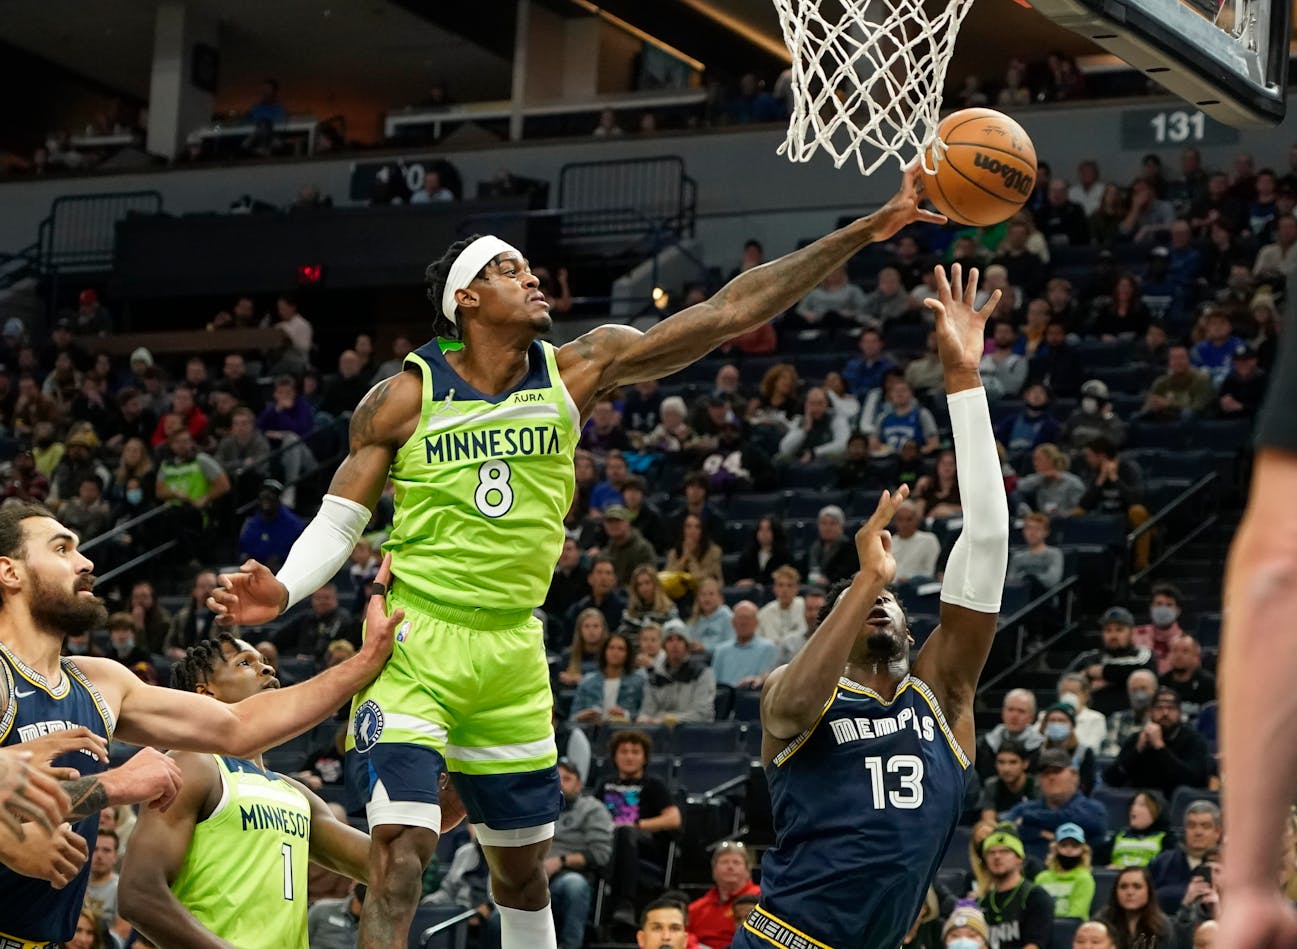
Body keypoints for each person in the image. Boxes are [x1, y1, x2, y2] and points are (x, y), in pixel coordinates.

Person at [208, 175, 940, 949]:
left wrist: (865, 229)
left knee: (521, 874)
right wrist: (284, 587)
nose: (531, 277)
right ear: (468, 299)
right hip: (415, 642)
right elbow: (340, 517)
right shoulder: (402, 398)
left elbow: (729, 311)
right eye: (508, 268)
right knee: (400, 859)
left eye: (528, 267)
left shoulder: (579, 368)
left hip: (514, 651)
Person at [732, 263, 1009, 949]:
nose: (880, 601)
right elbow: (793, 702)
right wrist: (864, 580)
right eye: (866, 601)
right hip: (783, 940)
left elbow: (990, 535)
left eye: (889, 596)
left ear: (915, 627)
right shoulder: (796, 700)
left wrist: (963, 379)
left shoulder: (941, 696)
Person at [0, 503, 401, 947]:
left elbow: (236, 725)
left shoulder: (100, 681)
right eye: (61, 549)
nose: (85, 561)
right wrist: (113, 786)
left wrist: (366, 662)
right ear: (9, 572)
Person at [117, 634, 389, 948]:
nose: (268, 670)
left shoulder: (295, 793)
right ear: (206, 693)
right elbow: (138, 894)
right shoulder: (194, 765)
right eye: (245, 663)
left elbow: (386, 867)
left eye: (265, 662)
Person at [599, 730, 682, 926]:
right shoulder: (604, 784)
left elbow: (673, 818)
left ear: (644, 758)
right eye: (624, 751)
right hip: (607, 840)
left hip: (643, 843)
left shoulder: (654, 784)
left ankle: (626, 904)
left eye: (635, 752)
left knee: (625, 833)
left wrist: (635, 825)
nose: (629, 756)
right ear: (615, 756)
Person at [542, 757, 614, 949]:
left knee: (574, 885)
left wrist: (561, 861)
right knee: (496, 917)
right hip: (529, 879)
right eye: (554, 777)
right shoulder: (534, 809)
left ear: (579, 785)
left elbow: (600, 854)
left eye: (567, 778)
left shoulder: (592, 809)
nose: (559, 782)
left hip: (567, 877)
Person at [1003, 749, 1107, 862]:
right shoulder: (1022, 809)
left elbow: (1078, 820)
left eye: (1057, 771)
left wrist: (1028, 819)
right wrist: (1039, 833)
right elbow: (1004, 832)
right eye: (1045, 773)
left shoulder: (1093, 809)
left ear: (1074, 775)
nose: (1051, 777)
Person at [1107, 687, 1212, 798]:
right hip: (1141, 802)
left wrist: (1160, 747)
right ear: (1150, 712)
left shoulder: (1194, 740)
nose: (1165, 713)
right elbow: (1112, 779)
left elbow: (1193, 780)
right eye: (1159, 708)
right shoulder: (1137, 739)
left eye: (1171, 708)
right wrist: (1137, 750)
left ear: (1180, 713)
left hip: (1177, 803)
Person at [979, 828, 1056, 949]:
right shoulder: (983, 902)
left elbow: (1035, 945)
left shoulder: (1036, 896)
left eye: (1005, 851)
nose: (997, 856)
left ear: (1019, 858)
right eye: (991, 852)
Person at [638, 624, 716, 724]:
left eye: (680, 639)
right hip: (660, 731)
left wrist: (668, 719)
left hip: (694, 731)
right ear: (664, 646)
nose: (675, 644)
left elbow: (703, 714)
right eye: (670, 640)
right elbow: (647, 711)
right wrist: (643, 718)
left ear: (687, 646)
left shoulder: (703, 673)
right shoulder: (655, 676)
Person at [688, 840, 760, 948]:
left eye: (736, 862)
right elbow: (682, 933)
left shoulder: (762, 898)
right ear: (714, 871)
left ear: (747, 871)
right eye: (724, 862)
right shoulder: (697, 907)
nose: (730, 867)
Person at [569, 632, 644, 724]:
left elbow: (644, 715)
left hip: (625, 732)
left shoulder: (638, 682)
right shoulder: (587, 682)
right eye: (611, 648)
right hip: (592, 732)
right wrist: (581, 716)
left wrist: (625, 715)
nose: (615, 652)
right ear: (604, 652)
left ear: (628, 654)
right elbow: (572, 718)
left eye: (621, 649)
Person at [1096, 867, 1174, 949]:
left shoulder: (1162, 926)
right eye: (1123, 887)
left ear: (1149, 891)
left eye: (1137, 887)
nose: (1130, 892)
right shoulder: (1101, 921)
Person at [1034, 822, 1095, 920]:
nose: (1069, 850)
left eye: (1075, 846)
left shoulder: (1085, 879)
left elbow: (1076, 914)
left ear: (1082, 850)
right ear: (1055, 849)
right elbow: (1036, 911)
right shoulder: (1042, 878)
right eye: (1064, 845)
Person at [711, 602, 778, 688]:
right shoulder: (720, 650)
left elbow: (765, 680)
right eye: (740, 618)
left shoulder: (768, 648)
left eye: (747, 618)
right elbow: (713, 684)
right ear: (733, 623)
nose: (743, 622)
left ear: (756, 622)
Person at [978, 739, 1039, 827]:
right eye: (1001, 762)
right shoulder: (992, 785)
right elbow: (988, 821)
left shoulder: (1037, 786)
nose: (1006, 769)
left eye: (1013, 762)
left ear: (1025, 764)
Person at [1110, 791, 1171, 869]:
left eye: (1142, 805)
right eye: (1133, 804)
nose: (1133, 808)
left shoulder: (1166, 839)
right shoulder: (1119, 836)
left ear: (1157, 811)